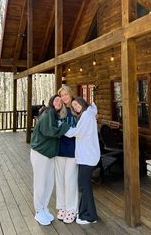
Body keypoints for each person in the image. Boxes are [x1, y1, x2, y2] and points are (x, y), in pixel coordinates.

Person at [30, 95, 69, 226]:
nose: (59, 102)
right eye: (56, 100)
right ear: (52, 102)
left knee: (49, 183)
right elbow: (49, 132)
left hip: (49, 155)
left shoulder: (55, 115)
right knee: (40, 183)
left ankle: (44, 208)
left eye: (61, 101)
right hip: (40, 153)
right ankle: (38, 211)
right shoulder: (48, 113)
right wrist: (65, 127)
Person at [65, 97, 100, 225]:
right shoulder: (89, 113)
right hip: (88, 155)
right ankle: (85, 212)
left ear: (82, 103)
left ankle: (90, 216)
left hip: (88, 156)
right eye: (73, 106)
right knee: (84, 185)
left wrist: (64, 129)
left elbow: (78, 132)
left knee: (84, 185)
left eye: (76, 104)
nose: (75, 107)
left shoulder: (86, 116)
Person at [55, 85, 78, 223]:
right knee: (60, 180)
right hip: (59, 149)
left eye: (65, 94)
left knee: (70, 180)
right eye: (61, 95)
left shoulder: (76, 109)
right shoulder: (59, 111)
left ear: (70, 94)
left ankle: (72, 209)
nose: (64, 97)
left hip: (72, 150)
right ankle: (62, 206)